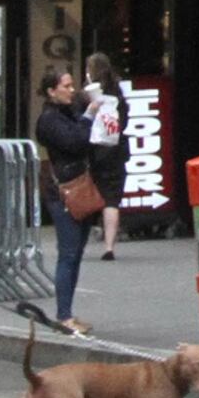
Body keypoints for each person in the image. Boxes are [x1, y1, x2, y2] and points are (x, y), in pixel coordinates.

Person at [35, 68, 99, 334]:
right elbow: (76, 141)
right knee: (69, 253)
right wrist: (88, 117)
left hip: (78, 185)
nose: (71, 90)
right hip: (62, 191)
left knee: (76, 253)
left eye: (72, 85)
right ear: (52, 91)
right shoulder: (49, 119)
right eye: (66, 86)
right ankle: (63, 315)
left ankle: (68, 312)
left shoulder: (67, 111)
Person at [85, 57, 131, 256]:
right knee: (112, 199)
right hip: (116, 150)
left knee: (92, 192)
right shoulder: (118, 95)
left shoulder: (89, 94)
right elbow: (125, 123)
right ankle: (109, 245)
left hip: (95, 150)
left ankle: (88, 231)